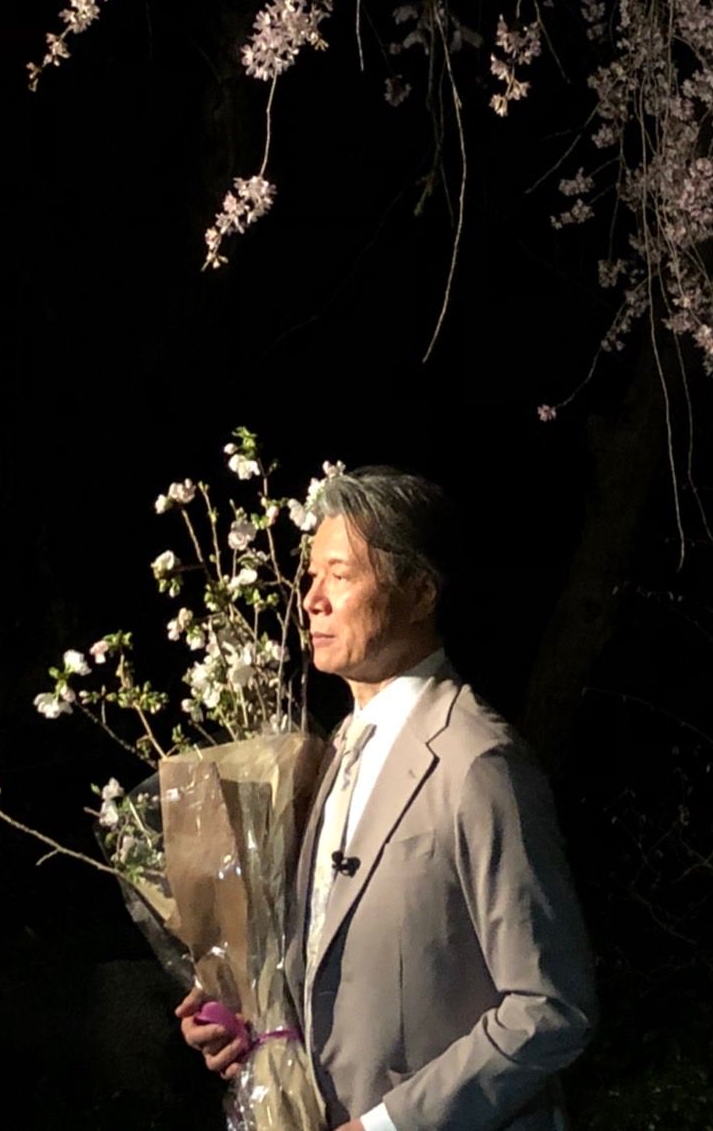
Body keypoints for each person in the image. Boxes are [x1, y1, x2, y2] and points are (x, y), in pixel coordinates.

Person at [177, 467, 597, 1130]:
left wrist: (390, 1124)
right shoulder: (333, 753)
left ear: (420, 592)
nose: (312, 599)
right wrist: (248, 1019)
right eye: (311, 576)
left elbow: (550, 1007)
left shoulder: (477, 762)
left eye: (340, 576)